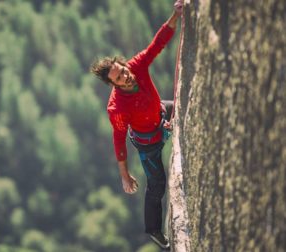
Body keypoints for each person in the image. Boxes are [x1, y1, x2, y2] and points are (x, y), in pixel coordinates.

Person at [90, 1, 183, 249]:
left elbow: (157, 45)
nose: (126, 75)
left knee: (178, 105)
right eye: (120, 77)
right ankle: (153, 229)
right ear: (114, 84)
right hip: (148, 143)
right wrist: (124, 175)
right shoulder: (117, 108)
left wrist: (176, 15)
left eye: (123, 70)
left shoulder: (136, 66)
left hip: (160, 114)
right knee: (157, 185)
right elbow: (118, 138)